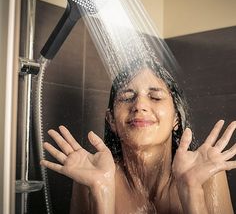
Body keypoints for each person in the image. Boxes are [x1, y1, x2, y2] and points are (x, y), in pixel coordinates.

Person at [41, 59, 236, 214]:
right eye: (127, 98)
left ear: (177, 117)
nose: (139, 105)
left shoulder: (205, 175)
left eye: (155, 97)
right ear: (111, 120)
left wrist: (192, 192)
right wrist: (102, 193)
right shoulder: (91, 176)